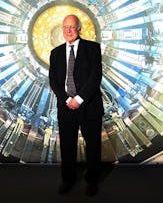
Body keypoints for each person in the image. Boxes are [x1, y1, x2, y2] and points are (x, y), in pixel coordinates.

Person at [49, 14, 104, 196]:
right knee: (67, 145)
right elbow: (54, 81)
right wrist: (67, 99)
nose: (69, 30)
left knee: (93, 146)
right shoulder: (55, 53)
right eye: (65, 27)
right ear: (62, 30)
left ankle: (92, 180)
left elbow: (95, 77)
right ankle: (68, 179)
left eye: (72, 26)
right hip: (65, 107)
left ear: (79, 28)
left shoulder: (93, 48)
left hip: (89, 106)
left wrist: (79, 99)